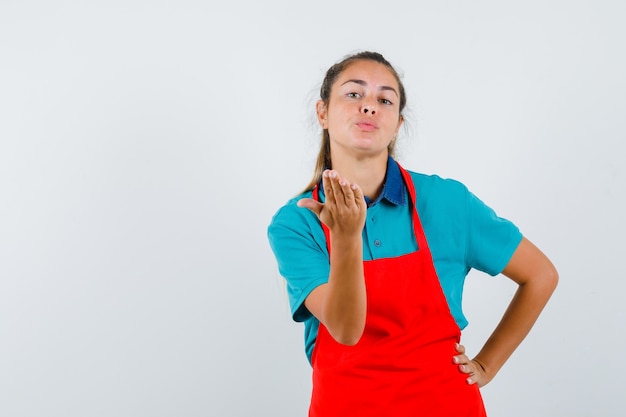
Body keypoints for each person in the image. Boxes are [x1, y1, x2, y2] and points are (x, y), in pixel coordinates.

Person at [267, 51, 558, 416]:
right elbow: (345, 331)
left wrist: (487, 364)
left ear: (398, 123)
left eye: (384, 99)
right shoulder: (297, 223)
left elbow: (541, 275)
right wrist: (344, 237)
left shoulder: (448, 202)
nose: (369, 107)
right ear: (322, 113)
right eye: (354, 94)